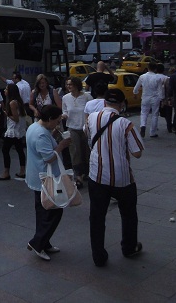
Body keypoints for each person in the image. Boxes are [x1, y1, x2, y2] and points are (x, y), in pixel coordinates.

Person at [86, 88, 144, 267]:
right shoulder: (126, 124)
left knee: (97, 216)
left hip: (96, 176)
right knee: (128, 215)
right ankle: (129, 247)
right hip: (122, 178)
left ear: (105, 103)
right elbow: (137, 153)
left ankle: (98, 255)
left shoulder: (91, 118)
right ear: (121, 104)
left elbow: (89, 140)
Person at [25, 104, 70, 261]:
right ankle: (37, 243)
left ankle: (44, 242)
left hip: (37, 177)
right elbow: (49, 157)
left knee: (42, 212)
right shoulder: (41, 135)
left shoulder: (34, 128)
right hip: (45, 178)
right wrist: (61, 146)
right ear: (50, 119)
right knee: (54, 211)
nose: (58, 124)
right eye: (57, 121)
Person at [61, 77, 92, 188]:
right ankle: (77, 176)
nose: (68, 86)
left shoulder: (87, 96)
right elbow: (65, 111)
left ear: (77, 85)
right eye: (67, 84)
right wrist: (64, 115)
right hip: (72, 128)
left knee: (86, 151)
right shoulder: (65, 98)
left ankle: (86, 172)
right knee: (75, 152)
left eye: (71, 84)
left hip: (85, 128)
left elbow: (91, 111)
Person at [0, 83, 27, 181]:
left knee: (5, 150)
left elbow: (16, 118)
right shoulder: (18, 101)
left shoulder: (12, 103)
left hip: (13, 129)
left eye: (6, 89)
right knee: (19, 150)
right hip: (19, 130)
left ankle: (6, 172)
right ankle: (22, 171)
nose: (4, 91)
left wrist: (6, 113)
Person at [133, 62, 168, 138]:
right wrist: (162, 99)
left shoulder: (142, 77)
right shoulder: (157, 78)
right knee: (155, 115)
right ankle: (152, 132)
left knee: (144, 113)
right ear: (155, 69)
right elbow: (160, 90)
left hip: (145, 97)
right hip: (155, 98)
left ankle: (143, 125)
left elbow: (136, 87)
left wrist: (135, 93)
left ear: (148, 68)